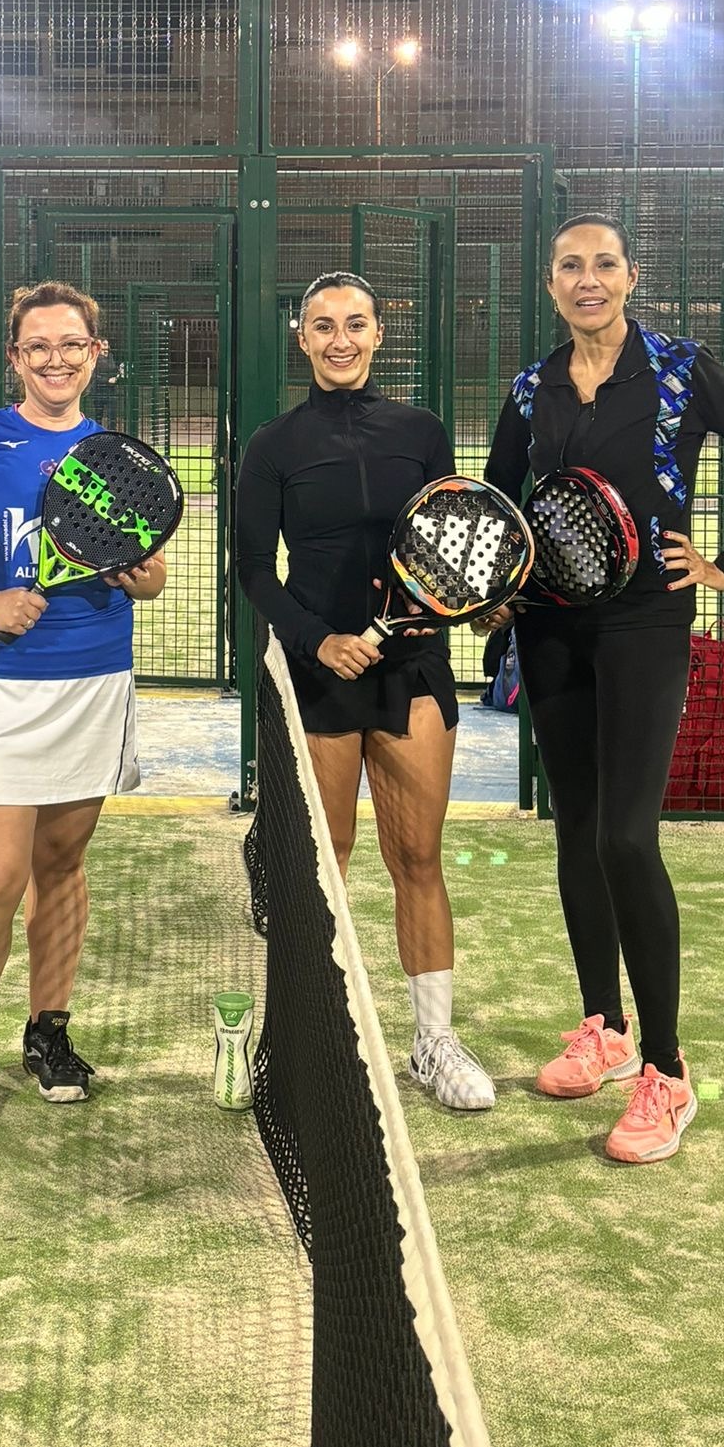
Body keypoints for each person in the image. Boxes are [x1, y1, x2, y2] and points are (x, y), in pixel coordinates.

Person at [484, 213, 724, 1164]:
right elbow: (504, 506)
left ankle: (667, 1074)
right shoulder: (532, 387)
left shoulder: (679, 369)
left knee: (627, 837)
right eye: (569, 267)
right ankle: (606, 1031)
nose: (587, 280)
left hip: (644, 626)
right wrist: (496, 594)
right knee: (579, 830)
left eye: (604, 265)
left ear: (631, 277)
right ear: (550, 284)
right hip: (551, 630)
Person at [236, 270, 495, 1113]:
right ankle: (312, 1042)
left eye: (355, 324)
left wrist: (470, 607)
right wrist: (319, 641)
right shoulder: (273, 445)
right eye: (323, 326)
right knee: (325, 866)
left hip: (411, 671)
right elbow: (254, 570)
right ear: (302, 339)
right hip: (318, 675)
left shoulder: (421, 432)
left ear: (379, 334)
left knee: (417, 856)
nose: (339, 339)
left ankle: (434, 1043)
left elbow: (449, 542)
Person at [0, 282, 168, 1124]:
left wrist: (146, 578)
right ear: (15, 357)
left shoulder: (115, 454)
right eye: (38, 346)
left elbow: (150, 570)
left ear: (96, 353)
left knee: (62, 866)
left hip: (92, 676)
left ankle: (48, 1031)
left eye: (72, 344)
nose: (55, 360)